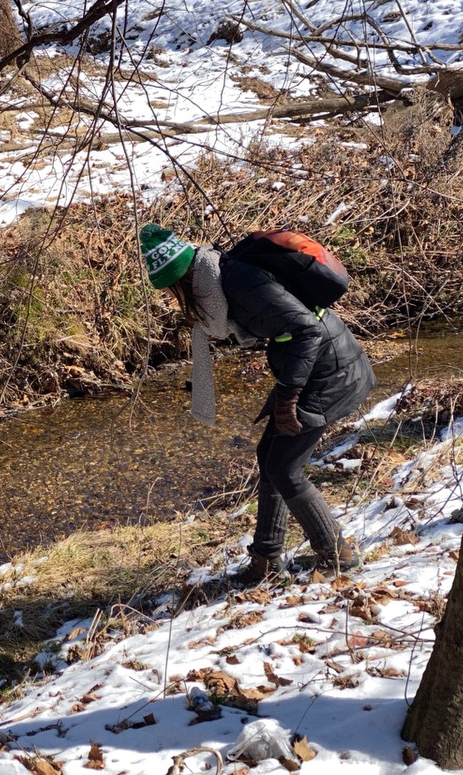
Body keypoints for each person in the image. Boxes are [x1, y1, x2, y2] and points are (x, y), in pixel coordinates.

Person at [140, 223, 375, 581]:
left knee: (285, 468)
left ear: (182, 279)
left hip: (330, 370)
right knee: (270, 458)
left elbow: (307, 330)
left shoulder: (243, 283)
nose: (174, 299)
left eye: (171, 290)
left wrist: (288, 396)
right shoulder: (221, 279)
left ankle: (337, 554)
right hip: (313, 366)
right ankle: (266, 560)